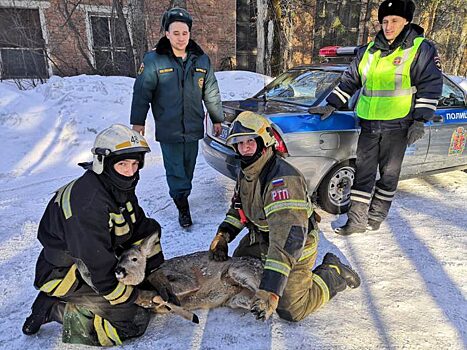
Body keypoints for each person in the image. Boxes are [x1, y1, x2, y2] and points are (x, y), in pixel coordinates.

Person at [22, 124, 179, 346]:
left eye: (135, 164)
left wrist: (154, 276)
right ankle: (54, 309)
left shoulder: (116, 187)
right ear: (102, 163)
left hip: (98, 260)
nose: (131, 171)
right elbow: (98, 270)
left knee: (145, 294)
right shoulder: (87, 204)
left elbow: (143, 230)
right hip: (68, 273)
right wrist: (137, 297)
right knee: (135, 319)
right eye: (123, 164)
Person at [208, 111, 361, 322]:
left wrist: (270, 291)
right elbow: (239, 208)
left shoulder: (282, 180)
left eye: (250, 141)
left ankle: (333, 273)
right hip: (262, 237)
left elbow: (287, 239)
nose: (245, 148)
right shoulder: (248, 171)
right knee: (236, 274)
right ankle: (270, 270)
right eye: (239, 143)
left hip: (294, 246)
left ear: (264, 141)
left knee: (290, 309)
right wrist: (224, 235)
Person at [308, 0, 443, 235]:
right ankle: (356, 222)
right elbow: (350, 80)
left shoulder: (421, 48)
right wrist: (332, 104)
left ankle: (376, 216)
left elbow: (430, 85)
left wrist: (420, 120)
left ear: (406, 22)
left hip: (399, 123)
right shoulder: (369, 50)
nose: (388, 26)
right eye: (384, 21)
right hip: (369, 123)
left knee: (388, 175)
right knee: (363, 174)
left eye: (394, 21)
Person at [130, 7, 223, 228]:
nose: (181, 37)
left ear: (189, 34)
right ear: (167, 34)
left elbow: (210, 90)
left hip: (192, 125)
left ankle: (183, 193)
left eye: (185, 33)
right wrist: (138, 122)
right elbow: (142, 91)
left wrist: (217, 118)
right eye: (176, 33)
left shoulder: (201, 60)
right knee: (175, 168)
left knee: (188, 166)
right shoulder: (154, 60)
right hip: (168, 127)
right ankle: (182, 204)